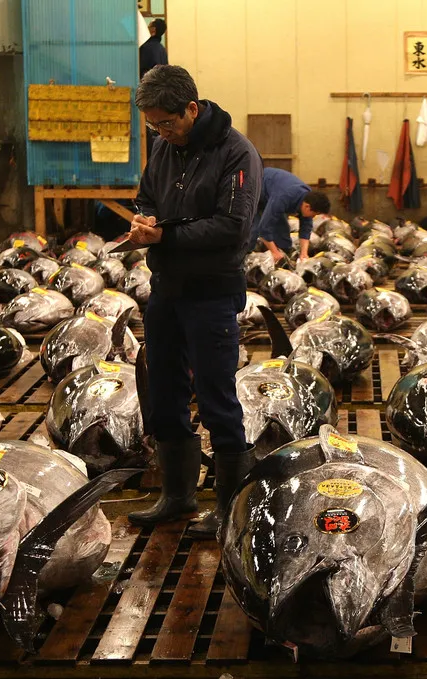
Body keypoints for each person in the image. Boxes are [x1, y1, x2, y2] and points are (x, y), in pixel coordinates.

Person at [125, 65, 263, 537]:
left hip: (211, 292)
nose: (161, 133)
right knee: (163, 392)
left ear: (191, 107)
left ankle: (231, 508)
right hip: (166, 291)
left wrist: (165, 234)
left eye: (167, 123)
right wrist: (143, 222)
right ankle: (177, 494)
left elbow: (232, 226)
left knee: (216, 397)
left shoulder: (236, 152)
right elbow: (146, 197)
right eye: (153, 126)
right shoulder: (164, 149)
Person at [251, 167, 330, 263]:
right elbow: (264, 229)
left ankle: (284, 255)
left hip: (273, 192)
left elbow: (306, 228)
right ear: (307, 207)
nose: (313, 217)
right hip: (255, 187)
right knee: (253, 230)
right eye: (314, 214)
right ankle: (244, 261)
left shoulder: (308, 197)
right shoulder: (284, 197)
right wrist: (274, 252)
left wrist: (304, 254)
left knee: (283, 233)